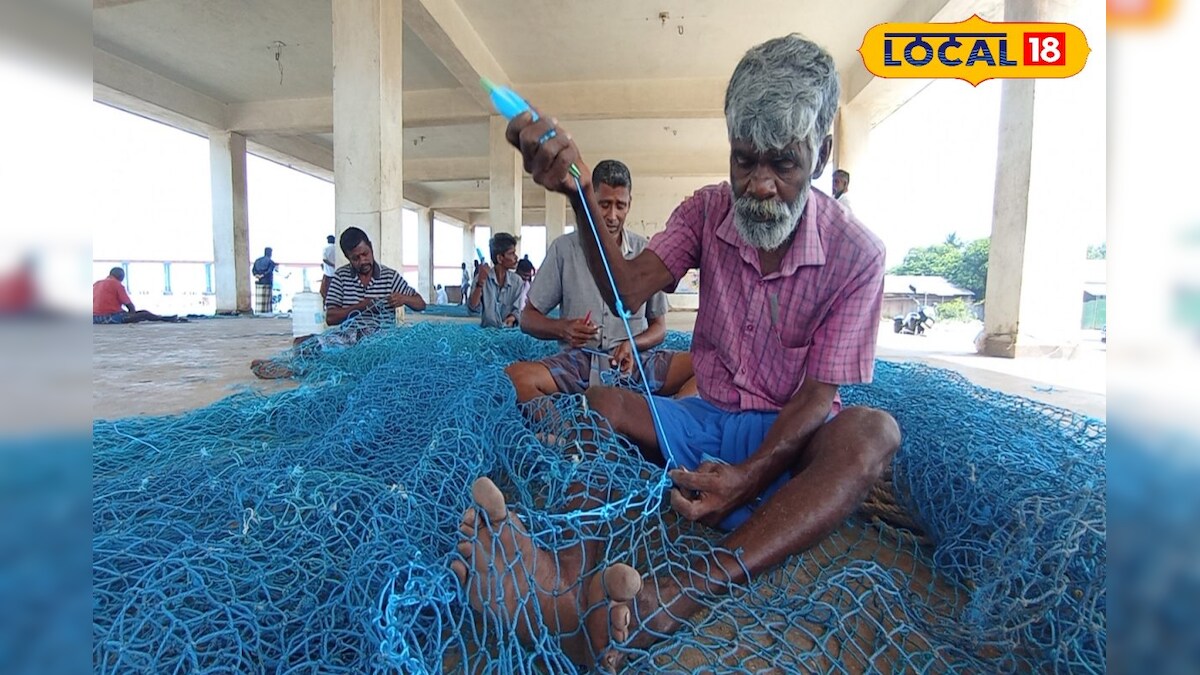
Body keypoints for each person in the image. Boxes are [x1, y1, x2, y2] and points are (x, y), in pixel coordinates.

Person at [451, 34, 901, 669]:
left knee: (871, 433)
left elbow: (818, 397)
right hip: (703, 423)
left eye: (785, 165)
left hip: (790, 440)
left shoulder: (859, 254)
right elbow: (624, 287)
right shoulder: (707, 210)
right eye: (744, 161)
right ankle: (561, 581)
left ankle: (681, 591)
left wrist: (748, 476)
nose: (761, 186)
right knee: (603, 401)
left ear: (822, 154)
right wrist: (578, 193)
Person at [504, 159, 695, 404]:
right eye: (603, 205)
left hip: (635, 363)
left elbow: (658, 328)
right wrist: (562, 328)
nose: (612, 216)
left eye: (620, 206)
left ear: (629, 205)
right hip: (578, 363)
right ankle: (562, 435)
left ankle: (666, 425)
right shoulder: (564, 250)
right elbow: (527, 319)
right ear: (590, 201)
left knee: (706, 366)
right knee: (516, 378)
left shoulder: (644, 251)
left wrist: (631, 344)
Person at [250, 227, 425, 378]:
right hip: (347, 337)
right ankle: (286, 366)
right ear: (348, 258)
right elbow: (331, 318)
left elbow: (421, 304)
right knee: (303, 343)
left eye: (365, 254)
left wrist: (404, 299)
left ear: (371, 248)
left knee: (387, 355)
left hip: (381, 339)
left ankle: (296, 369)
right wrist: (361, 306)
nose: (363, 260)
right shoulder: (341, 277)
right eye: (356, 258)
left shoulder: (390, 276)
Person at [467, 232, 524, 328]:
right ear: (500, 258)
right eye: (511, 253)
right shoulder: (481, 279)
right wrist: (480, 283)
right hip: (486, 336)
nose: (516, 257)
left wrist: (512, 318)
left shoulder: (517, 282)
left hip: (509, 336)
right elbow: (473, 310)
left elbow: (518, 310)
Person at [92, 267, 182, 324]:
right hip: (108, 317)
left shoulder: (96, 283)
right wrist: (132, 316)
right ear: (121, 276)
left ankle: (163, 317)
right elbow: (129, 305)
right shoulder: (116, 284)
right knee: (144, 314)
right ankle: (165, 319)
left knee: (139, 313)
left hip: (94, 318)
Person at [252, 247, 279, 314]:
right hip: (267, 282)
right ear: (270, 253)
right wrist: (263, 275)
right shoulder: (271, 262)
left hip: (259, 282)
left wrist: (257, 275)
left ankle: (258, 312)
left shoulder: (257, 260)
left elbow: (253, 270)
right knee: (267, 301)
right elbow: (269, 271)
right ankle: (266, 312)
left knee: (259, 300)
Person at [320, 235, 336, 299]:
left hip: (327, 273)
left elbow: (324, 259)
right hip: (335, 273)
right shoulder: (336, 248)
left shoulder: (326, 248)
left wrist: (331, 264)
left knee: (325, 291)